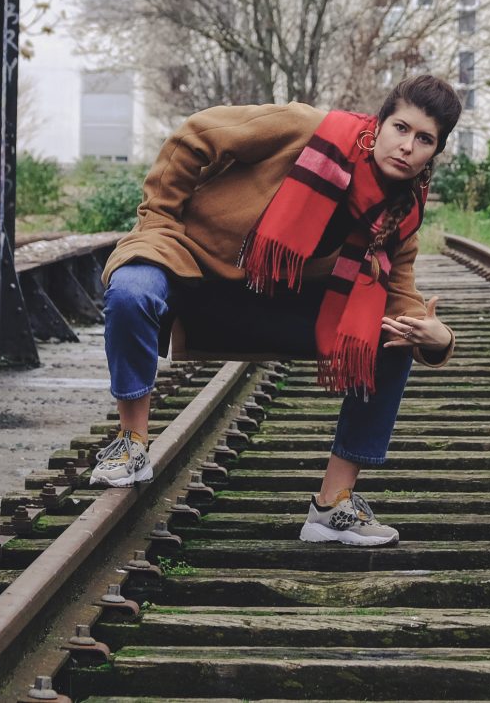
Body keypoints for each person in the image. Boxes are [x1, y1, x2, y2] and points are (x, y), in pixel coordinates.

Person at [94, 76, 461, 547]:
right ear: (380, 123)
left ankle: (333, 504)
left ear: (435, 152)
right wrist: (159, 219)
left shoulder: (400, 213)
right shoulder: (306, 128)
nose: (407, 146)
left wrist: (439, 339)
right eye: (401, 128)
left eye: (424, 139)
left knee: (391, 337)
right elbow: (196, 134)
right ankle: (132, 443)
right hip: (193, 264)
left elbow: (400, 296)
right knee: (131, 289)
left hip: (273, 303)